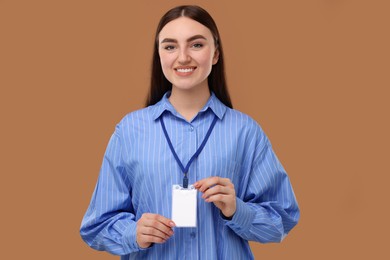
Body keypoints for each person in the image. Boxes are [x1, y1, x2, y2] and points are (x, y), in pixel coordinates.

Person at [80, 5, 300, 260]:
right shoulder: (128, 131)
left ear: (215, 53)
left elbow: (283, 219)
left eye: (196, 45)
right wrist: (133, 233)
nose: (183, 57)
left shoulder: (246, 132)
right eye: (170, 46)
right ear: (159, 55)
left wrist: (236, 210)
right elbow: (95, 226)